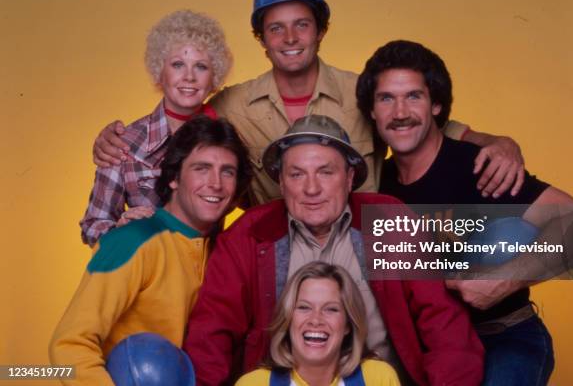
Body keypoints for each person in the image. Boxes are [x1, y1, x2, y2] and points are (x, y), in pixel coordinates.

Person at [91, 0, 524, 206]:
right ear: (262, 41)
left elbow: (422, 126)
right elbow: (179, 122)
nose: (291, 38)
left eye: (302, 25)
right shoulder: (232, 104)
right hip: (274, 258)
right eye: (276, 29)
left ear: (321, 31)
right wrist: (116, 141)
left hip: (366, 256)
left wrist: (494, 141)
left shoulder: (363, 91)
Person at [355, 40, 573, 385]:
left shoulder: (481, 167)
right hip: (429, 347)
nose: (399, 112)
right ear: (371, 111)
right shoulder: (379, 189)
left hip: (503, 338)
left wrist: (504, 280)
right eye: (386, 99)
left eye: (414, 96)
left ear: (437, 104)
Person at [183, 115, 484, 386]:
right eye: (297, 174)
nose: (311, 189)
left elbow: (445, 327)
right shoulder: (248, 235)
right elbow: (212, 331)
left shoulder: (389, 221)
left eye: (326, 172)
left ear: (350, 178)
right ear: (281, 182)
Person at [49, 116, 252, 385]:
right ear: (174, 178)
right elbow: (68, 345)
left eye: (227, 171)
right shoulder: (133, 240)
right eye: (201, 168)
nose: (215, 183)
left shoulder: (223, 250)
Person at [79, 9, 232, 244]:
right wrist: (121, 230)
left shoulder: (227, 141)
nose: (189, 76)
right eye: (178, 64)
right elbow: (92, 226)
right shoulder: (124, 143)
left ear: (214, 77)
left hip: (208, 275)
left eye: (201, 66)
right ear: (159, 72)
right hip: (147, 276)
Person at [236, 261, 400, 386]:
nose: (316, 320)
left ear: (348, 325)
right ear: (287, 319)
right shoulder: (253, 383)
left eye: (331, 309)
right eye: (304, 307)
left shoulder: (378, 378)